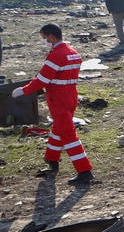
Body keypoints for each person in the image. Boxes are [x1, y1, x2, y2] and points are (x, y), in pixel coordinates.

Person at [10, 24, 94, 185]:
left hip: (58, 99)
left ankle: (84, 171)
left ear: (52, 36)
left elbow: (42, 80)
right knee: (59, 129)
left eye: (45, 38)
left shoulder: (56, 55)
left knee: (68, 134)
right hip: (71, 96)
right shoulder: (74, 53)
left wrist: (24, 90)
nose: (45, 41)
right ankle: (51, 160)